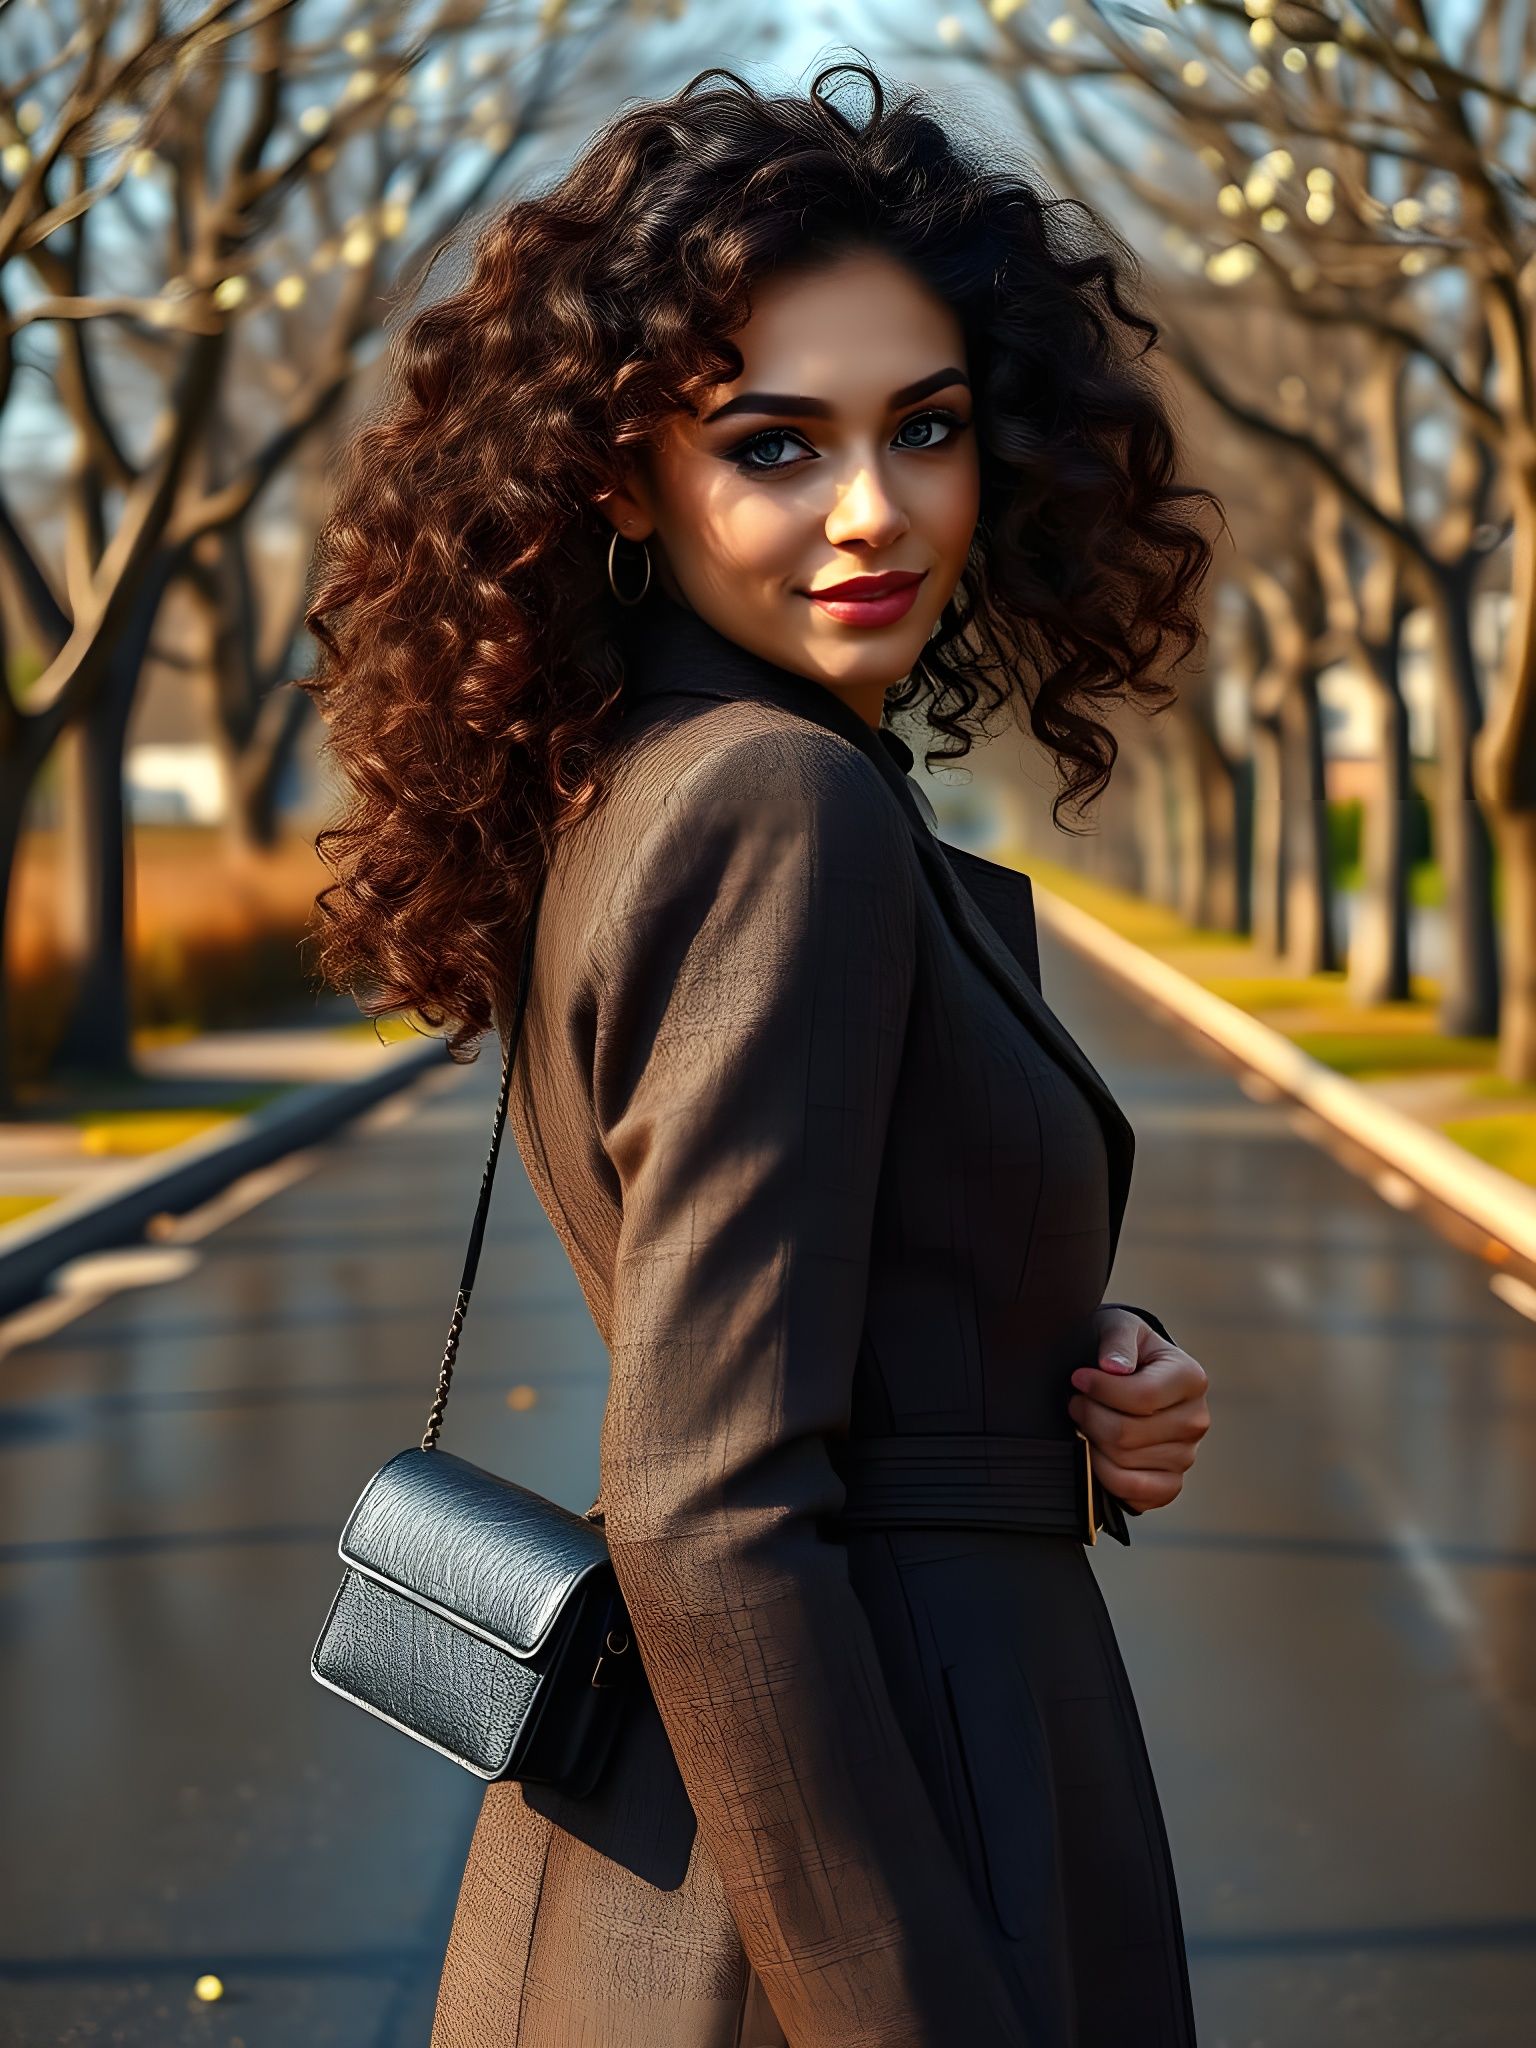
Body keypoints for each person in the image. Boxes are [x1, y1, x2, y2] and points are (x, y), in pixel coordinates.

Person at [300, 58, 1217, 2048]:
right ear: (627, 475)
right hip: (856, 1844)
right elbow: (710, 1497)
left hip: (722, 1837)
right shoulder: (773, 809)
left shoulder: (646, 783)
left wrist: (1066, 1369)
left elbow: (807, 1285)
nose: (873, 508)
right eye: (776, 445)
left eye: (929, 429)